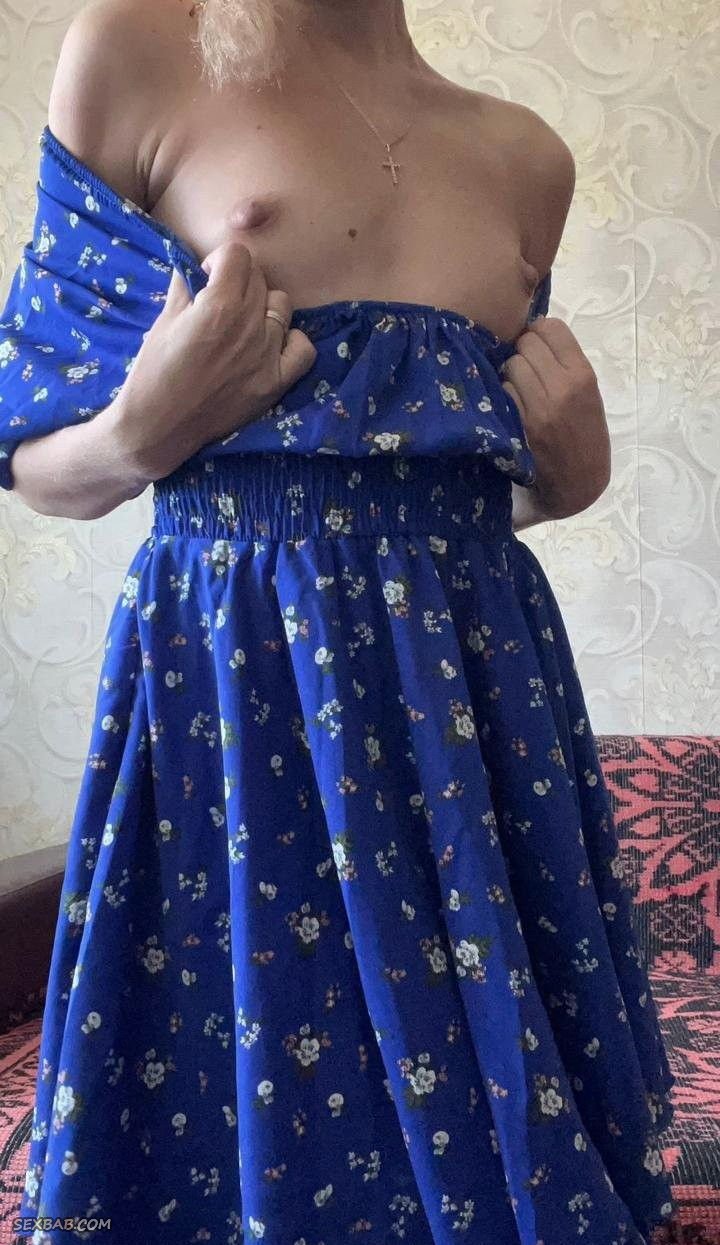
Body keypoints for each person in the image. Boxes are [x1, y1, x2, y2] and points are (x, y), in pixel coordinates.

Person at [3, 2, 675, 1242]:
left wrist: (568, 484)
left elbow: (449, 491)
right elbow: (41, 461)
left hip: (473, 700)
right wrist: (139, 434)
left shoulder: (527, 156)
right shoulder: (139, 48)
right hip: (233, 689)